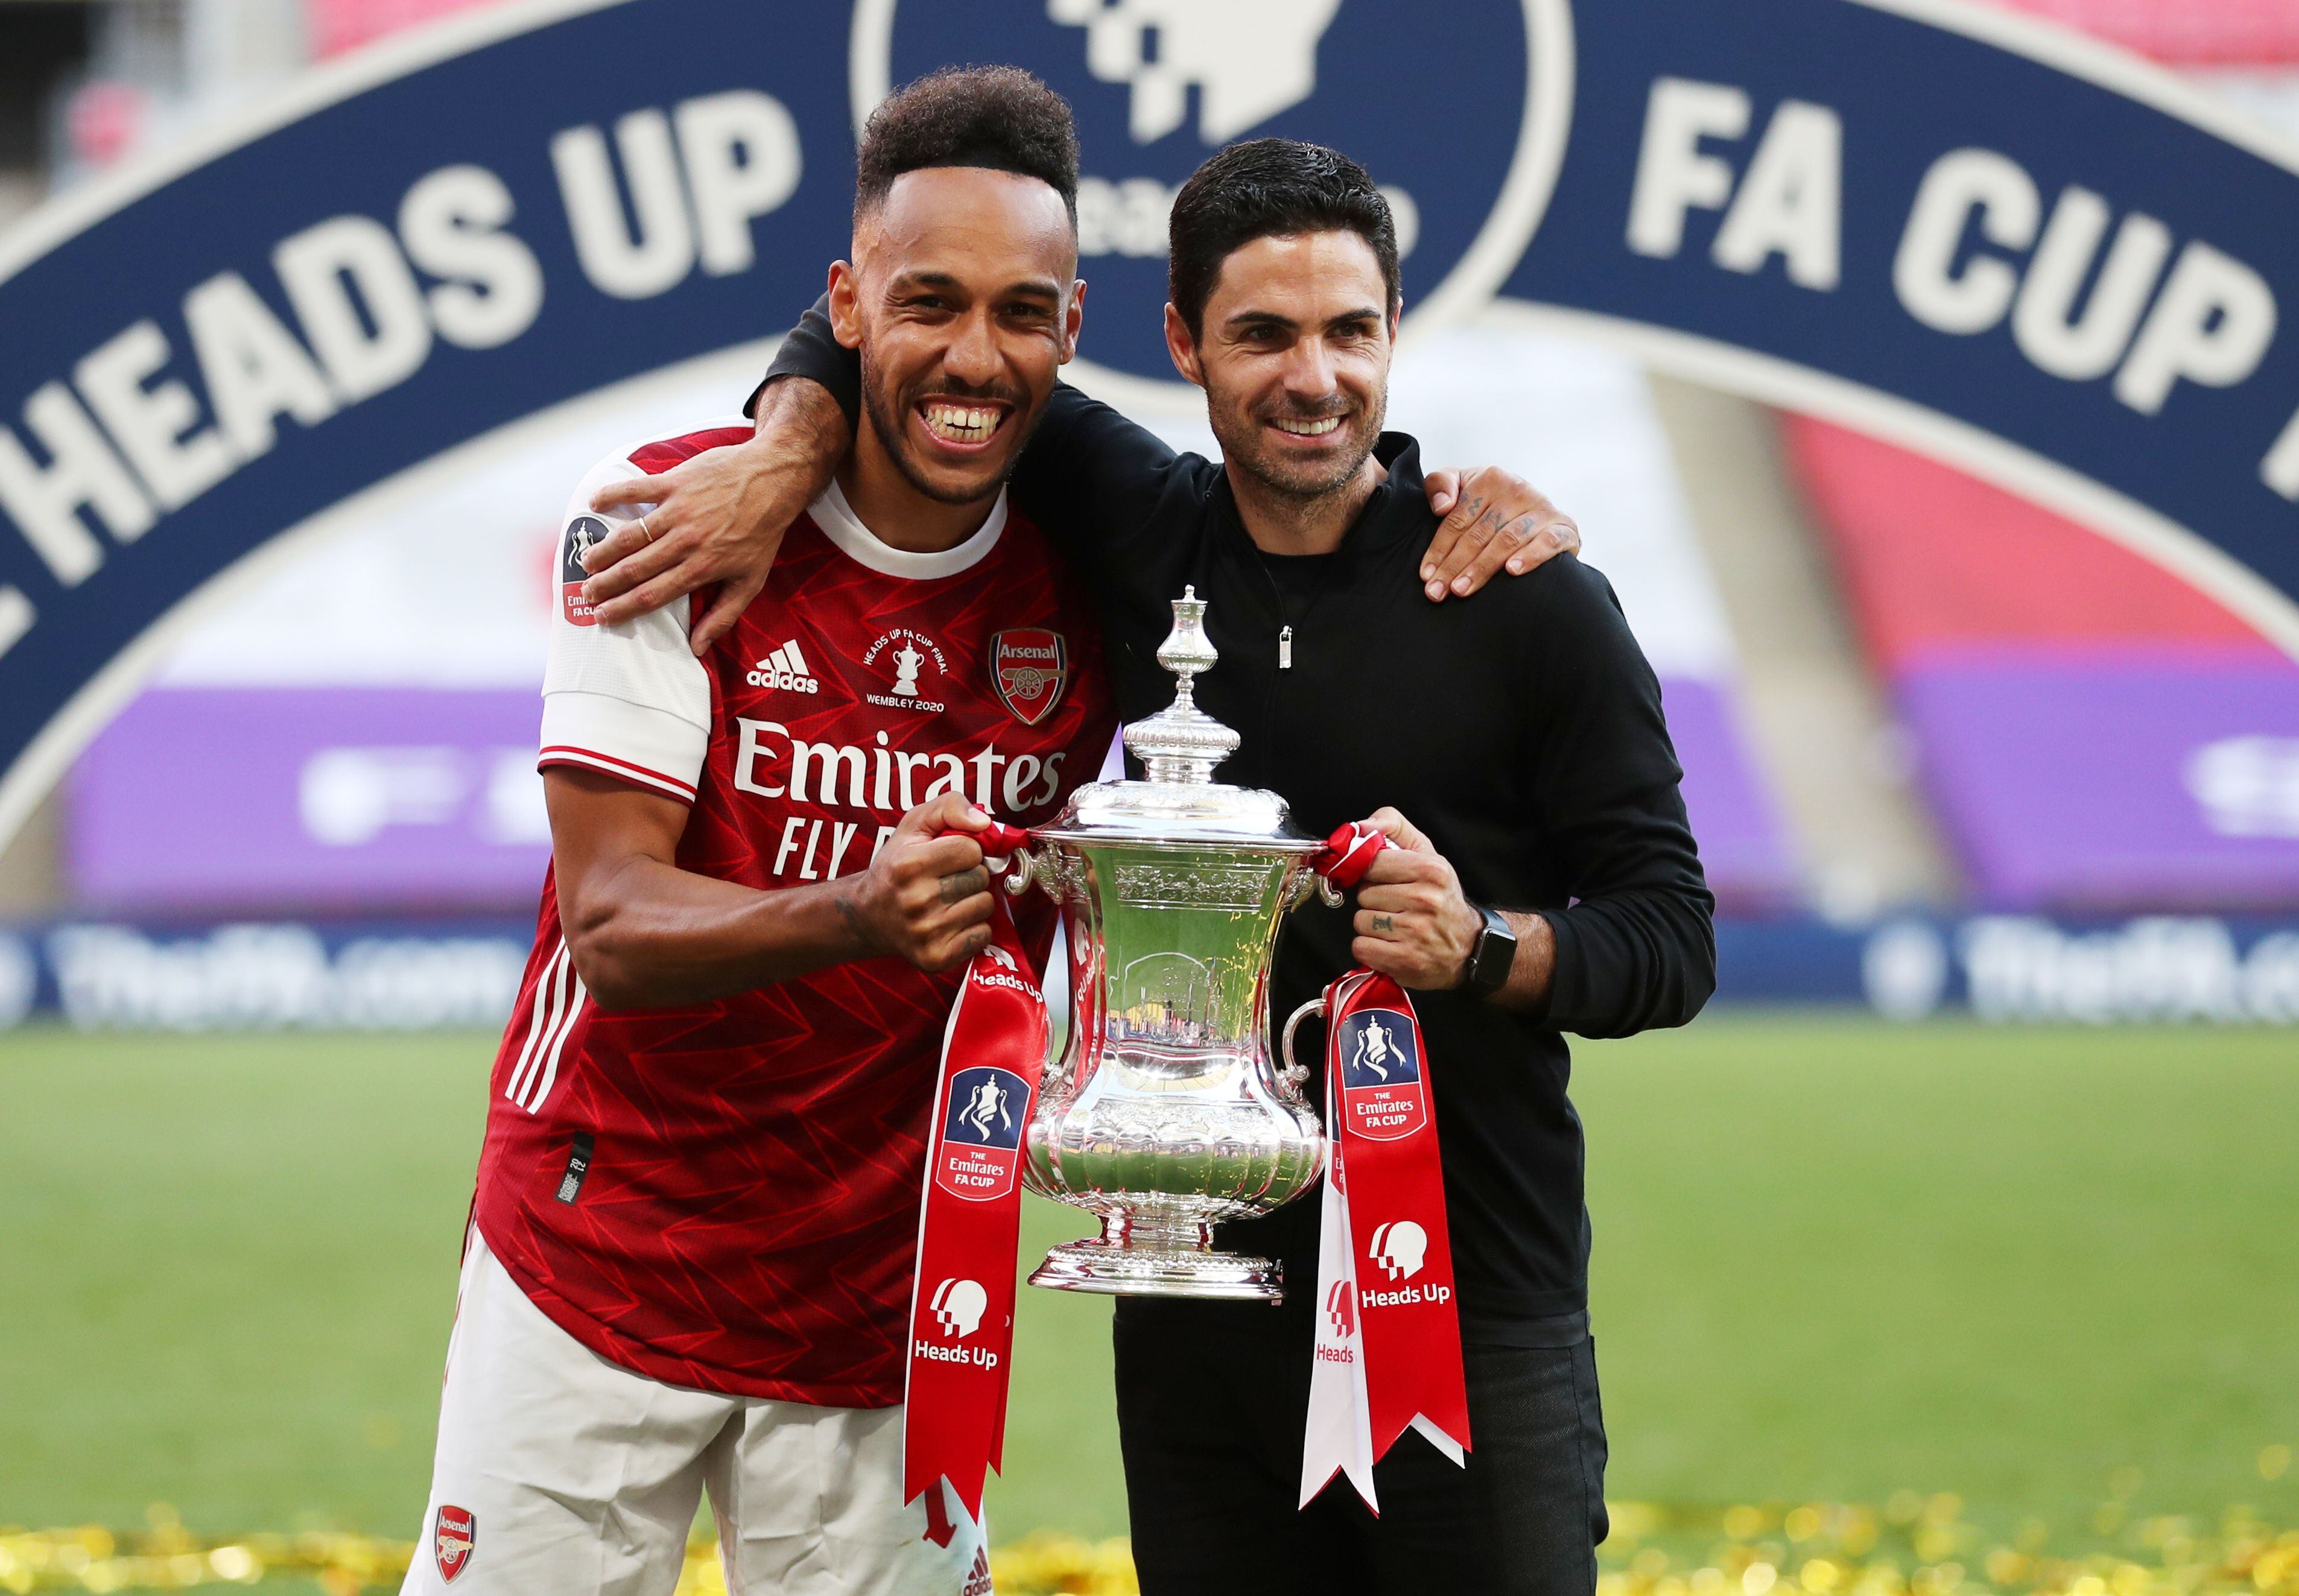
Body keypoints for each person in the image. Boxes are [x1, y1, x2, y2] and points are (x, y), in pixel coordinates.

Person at [585, 131, 1717, 1596]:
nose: (1312, 378)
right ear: (1181, 342)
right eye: (1261, 334)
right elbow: (873, 322)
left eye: (1347, 332)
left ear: (1391, 336)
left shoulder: (1524, 600)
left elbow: (1671, 939)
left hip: (1461, 1308)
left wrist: (1487, 946)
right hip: (1189, 1291)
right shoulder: (1136, 518)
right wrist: (784, 452)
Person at [398, 69, 1123, 1596]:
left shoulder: (1107, 576)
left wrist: (1462, 499)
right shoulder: (665, 517)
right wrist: (856, 911)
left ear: (1075, 325)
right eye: (928, 302)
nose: (972, 358)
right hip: (601, 1257)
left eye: (1020, 311)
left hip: (889, 1294)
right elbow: (610, 927)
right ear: (846, 305)